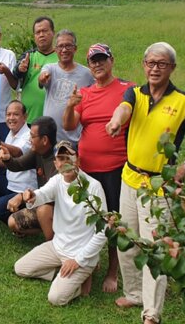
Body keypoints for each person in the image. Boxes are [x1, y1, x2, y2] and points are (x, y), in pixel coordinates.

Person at [105, 42, 185, 324]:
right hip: (130, 178)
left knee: (155, 248)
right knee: (127, 240)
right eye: (150, 63)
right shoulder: (135, 94)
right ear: (143, 65)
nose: (155, 68)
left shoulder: (184, 102)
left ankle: (152, 312)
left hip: (159, 185)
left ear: (172, 68)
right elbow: (123, 109)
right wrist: (116, 121)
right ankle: (134, 293)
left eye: (161, 64)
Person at [62, 43, 134, 293]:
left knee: (112, 219)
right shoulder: (85, 93)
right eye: (93, 61)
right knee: (87, 218)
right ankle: (87, 266)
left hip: (115, 168)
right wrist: (71, 105)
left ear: (111, 60)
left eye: (102, 59)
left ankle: (113, 270)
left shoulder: (128, 90)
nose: (97, 64)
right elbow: (70, 126)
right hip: (87, 169)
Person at [14, 141, 108, 306]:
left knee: (56, 298)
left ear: (77, 160)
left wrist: (78, 260)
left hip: (80, 253)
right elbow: (42, 194)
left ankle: (83, 272)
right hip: (58, 246)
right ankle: (66, 274)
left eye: (68, 157)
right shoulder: (57, 181)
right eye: (60, 159)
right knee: (20, 268)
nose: (65, 163)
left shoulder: (93, 186)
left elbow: (102, 231)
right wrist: (30, 196)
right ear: (56, 164)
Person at [0, 100, 37, 223]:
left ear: (25, 117)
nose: (11, 118)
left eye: (15, 114)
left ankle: (24, 220)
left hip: (25, 191)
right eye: (8, 114)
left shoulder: (29, 135)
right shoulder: (11, 133)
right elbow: (2, 163)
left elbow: (18, 152)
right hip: (10, 184)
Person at [0, 116, 58, 239]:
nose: (29, 139)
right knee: (13, 222)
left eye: (32, 136)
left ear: (45, 140)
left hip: (60, 208)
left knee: (44, 210)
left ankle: (54, 245)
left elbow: (53, 194)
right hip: (41, 201)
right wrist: (8, 159)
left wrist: (21, 196)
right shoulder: (37, 152)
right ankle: (51, 230)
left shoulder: (59, 158)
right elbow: (18, 164)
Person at [39, 29, 94, 145]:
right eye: (60, 46)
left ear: (75, 48)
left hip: (73, 140)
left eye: (68, 46)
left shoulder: (87, 74)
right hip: (49, 139)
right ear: (55, 49)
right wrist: (43, 78)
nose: (64, 50)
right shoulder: (50, 68)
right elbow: (42, 78)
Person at [16, 16, 58, 124]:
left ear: (53, 32)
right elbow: (15, 75)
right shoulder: (28, 56)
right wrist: (20, 69)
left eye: (45, 31)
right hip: (29, 120)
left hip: (54, 122)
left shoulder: (61, 57)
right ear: (34, 36)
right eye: (38, 32)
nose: (41, 35)